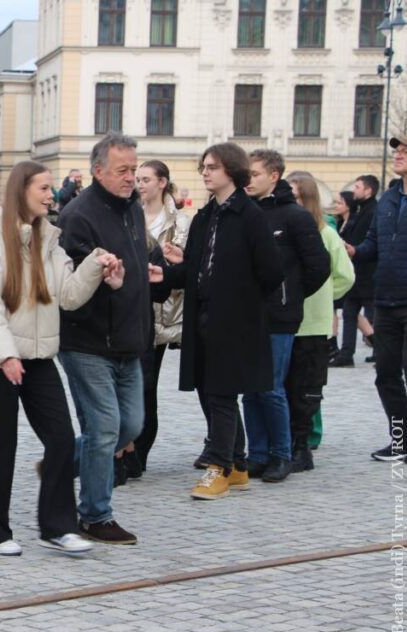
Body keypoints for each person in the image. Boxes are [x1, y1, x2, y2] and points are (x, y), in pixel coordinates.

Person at [0, 160, 122, 556]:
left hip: (37, 357)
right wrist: (5, 356)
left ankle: (56, 526)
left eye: (52, 188)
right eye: (43, 188)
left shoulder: (49, 238)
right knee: (0, 444)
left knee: (60, 440)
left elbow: (68, 296)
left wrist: (95, 265)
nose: (51, 195)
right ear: (22, 190)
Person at [157, 143, 283, 500]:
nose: (205, 173)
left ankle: (220, 467)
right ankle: (239, 464)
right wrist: (165, 275)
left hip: (237, 321)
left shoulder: (252, 216)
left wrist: (242, 299)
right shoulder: (205, 216)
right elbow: (194, 270)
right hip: (204, 319)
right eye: (203, 167)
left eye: (212, 167)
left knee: (222, 394)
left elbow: (271, 272)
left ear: (231, 170)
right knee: (210, 392)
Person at [58, 133, 165, 546]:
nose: (131, 178)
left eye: (134, 170)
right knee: (104, 428)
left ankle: (60, 463)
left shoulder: (133, 209)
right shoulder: (77, 216)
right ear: (98, 171)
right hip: (87, 343)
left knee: (130, 425)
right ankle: (95, 515)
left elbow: (136, 267)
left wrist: (153, 274)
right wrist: (110, 284)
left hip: (130, 341)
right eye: (122, 171)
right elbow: (70, 289)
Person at [239, 149, 329, 483]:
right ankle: (257, 454)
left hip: (280, 317)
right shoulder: (245, 212)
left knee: (272, 387)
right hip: (247, 316)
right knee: (250, 388)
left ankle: (282, 454)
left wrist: (289, 295)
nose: (249, 180)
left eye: (255, 174)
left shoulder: (295, 216)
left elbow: (319, 266)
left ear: (274, 176)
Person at [285, 171, 355, 472]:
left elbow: (345, 276)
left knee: (306, 386)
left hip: (312, 323)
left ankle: (302, 445)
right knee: (282, 386)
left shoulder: (325, 233)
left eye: (298, 197)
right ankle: (284, 441)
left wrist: (323, 295)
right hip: (284, 321)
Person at [347, 131, 407, 463]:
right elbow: (373, 245)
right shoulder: (388, 199)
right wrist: (353, 250)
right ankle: (400, 440)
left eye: (405, 150)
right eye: (397, 149)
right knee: (386, 374)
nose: (397, 154)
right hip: (385, 300)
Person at [130, 160, 190, 475]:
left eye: (146, 179)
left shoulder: (179, 220)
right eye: (137, 178)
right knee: (137, 384)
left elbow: (181, 261)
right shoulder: (129, 215)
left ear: (162, 182)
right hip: (133, 307)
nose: (140, 184)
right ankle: (133, 451)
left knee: (147, 384)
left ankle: (140, 452)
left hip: (164, 311)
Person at [332, 175, 379, 367]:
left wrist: (354, 249)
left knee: (372, 316)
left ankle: (379, 352)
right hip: (356, 271)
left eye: (358, 187)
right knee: (350, 314)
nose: (354, 191)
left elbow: (369, 242)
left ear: (368, 191)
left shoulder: (372, 212)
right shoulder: (361, 211)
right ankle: (346, 354)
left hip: (367, 273)